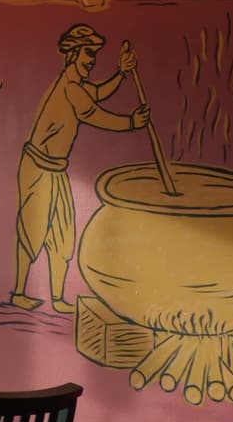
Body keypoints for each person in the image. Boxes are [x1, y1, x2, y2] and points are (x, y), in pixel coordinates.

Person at [8, 23, 149, 311]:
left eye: (93, 56)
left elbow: (96, 93)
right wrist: (131, 122)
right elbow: (93, 113)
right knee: (32, 230)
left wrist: (121, 74)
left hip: (56, 169)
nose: (91, 61)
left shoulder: (78, 86)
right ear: (73, 54)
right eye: (88, 54)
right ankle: (19, 293)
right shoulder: (70, 87)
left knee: (62, 232)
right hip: (37, 166)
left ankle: (58, 299)